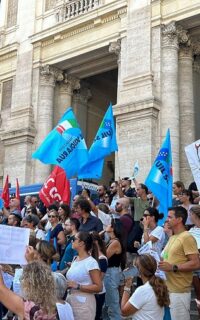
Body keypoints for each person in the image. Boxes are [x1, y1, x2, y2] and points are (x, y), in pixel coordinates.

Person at [159, 206, 200, 320]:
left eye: (170, 217)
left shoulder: (187, 237)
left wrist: (173, 267)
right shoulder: (173, 237)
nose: (167, 220)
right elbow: (166, 258)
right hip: (168, 290)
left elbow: (196, 263)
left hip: (179, 292)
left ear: (179, 219)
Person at [66, 231, 102, 320]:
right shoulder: (75, 259)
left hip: (84, 305)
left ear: (81, 243)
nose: (71, 241)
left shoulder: (91, 262)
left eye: (74, 239)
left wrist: (78, 286)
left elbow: (98, 287)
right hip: (71, 301)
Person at [121, 254, 170, 319]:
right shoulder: (160, 286)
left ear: (138, 271)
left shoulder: (143, 290)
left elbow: (124, 312)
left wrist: (127, 286)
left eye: (134, 267)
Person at [103, 219, 126, 320]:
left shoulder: (115, 242)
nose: (106, 226)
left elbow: (103, 257)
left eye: (109, 224)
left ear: (113, 228)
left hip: (111, 273)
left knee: (112, 304)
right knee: (107, 303)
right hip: (110, 273)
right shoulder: (111, 240)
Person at [91, 231, 108, 320]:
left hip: (98, 293)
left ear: (95, 242)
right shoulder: (92, 256)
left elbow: (100, 278)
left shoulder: (102, 259)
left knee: (96, 316)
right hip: (92, 292)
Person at [189, 206, 200, 311]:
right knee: (198, 295)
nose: (189, 216)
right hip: (194, 266)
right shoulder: (192, 229)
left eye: (190, 214)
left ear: (195, 215)